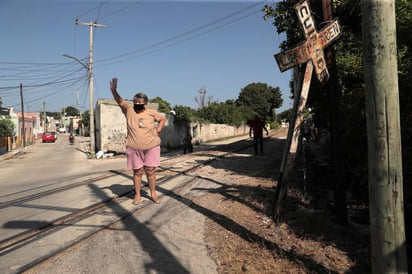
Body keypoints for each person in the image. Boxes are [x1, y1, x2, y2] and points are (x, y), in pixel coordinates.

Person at [109, 77, 166, 205]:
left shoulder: (151, 113)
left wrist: (158, 130)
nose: (136, 104)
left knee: (150, 170)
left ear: (145, 103)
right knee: (138, 171)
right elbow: (121, 102)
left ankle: (153, 193)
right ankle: (138, 195)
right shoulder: (129, 111)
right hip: (134, 148)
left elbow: (162, 119)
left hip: (151, 147)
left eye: (139, 102)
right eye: (135, 102)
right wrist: (114, 91)